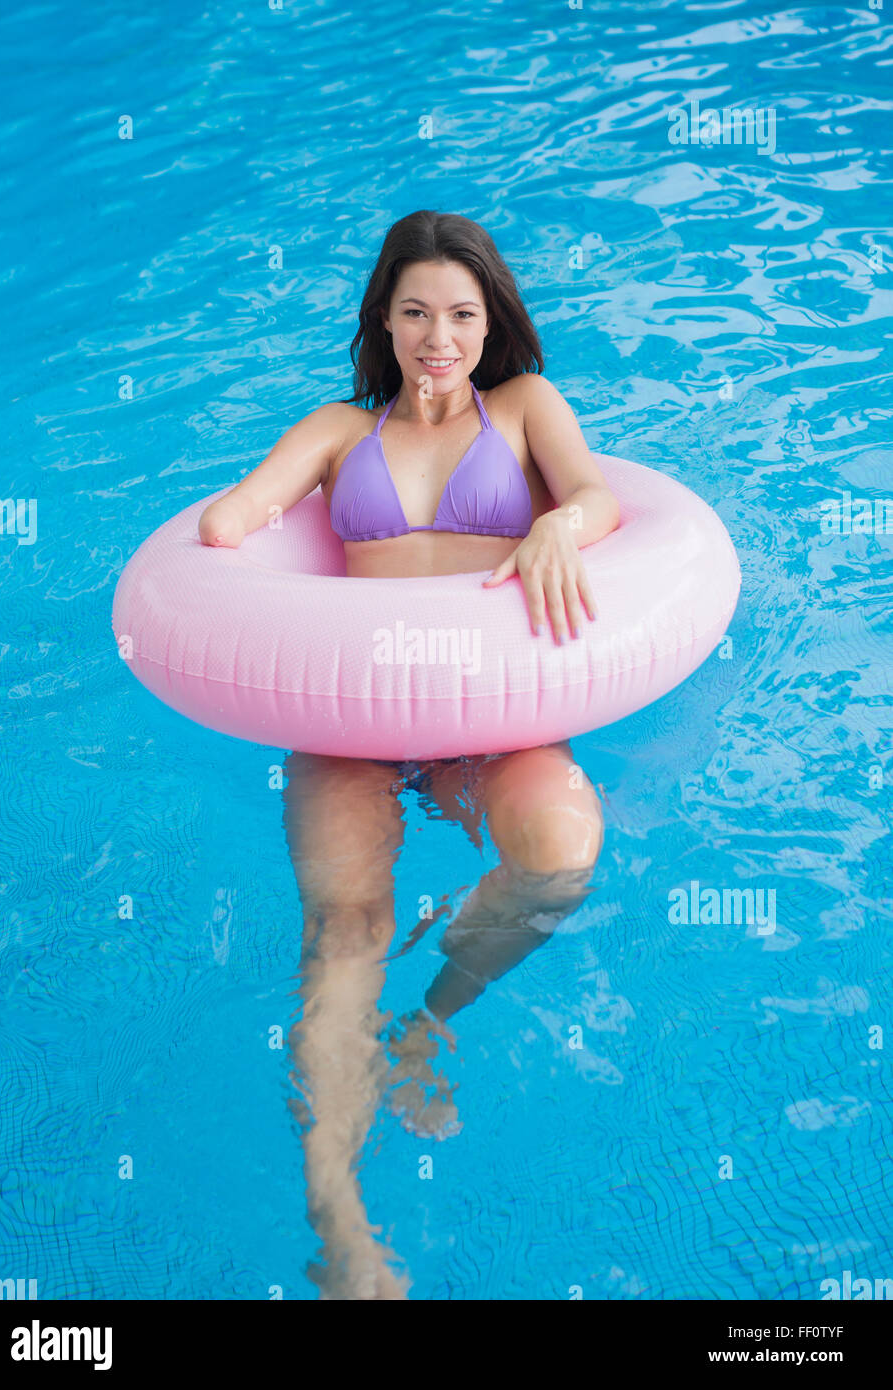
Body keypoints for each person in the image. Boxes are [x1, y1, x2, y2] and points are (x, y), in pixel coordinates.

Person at [198, 210, 620, 1299]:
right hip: (357, 726)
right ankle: (338, 1218)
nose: (439, 337)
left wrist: (553, 529)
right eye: (416, 312)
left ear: (492, 322)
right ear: (382, 320)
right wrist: (229, 537)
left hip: (490, 722)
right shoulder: (338, 430)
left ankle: (426, 1023)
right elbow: (232, 520)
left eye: (462, 314)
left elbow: (596, 496)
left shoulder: (520, 409)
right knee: (345, 928)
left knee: (560, 854)